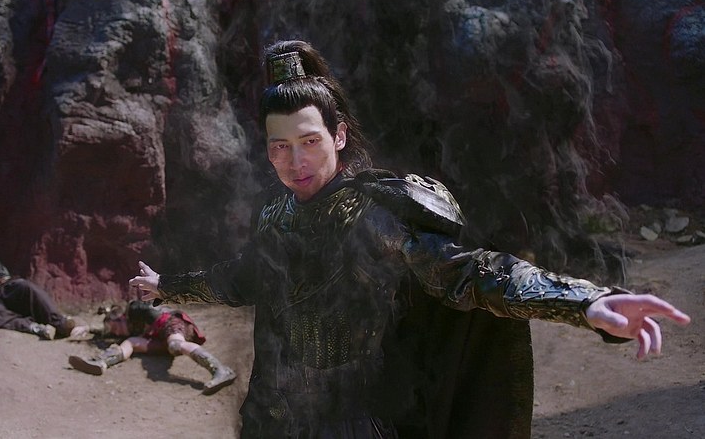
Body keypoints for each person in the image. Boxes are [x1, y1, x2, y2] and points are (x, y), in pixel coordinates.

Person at [128, 40, 691, 438]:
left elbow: (470, 272)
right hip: (277, 418)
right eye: (280, 147)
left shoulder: (373, 215)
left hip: (358, 420)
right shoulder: (275, 215)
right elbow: (240, 277)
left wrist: (585, 302)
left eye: (309, 141)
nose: (295, 161)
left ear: (338, 136)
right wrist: (168, 286)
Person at [67, 300, 237, 394]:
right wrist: (88, 328)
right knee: (131, 342)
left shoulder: (135, 311)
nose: (116, 332)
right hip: (160, 339)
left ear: (121, 318)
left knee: (175, 345)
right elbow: (105, 331)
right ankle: (101, 362)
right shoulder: (131, 329)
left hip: (171, 325)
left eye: (115, 327)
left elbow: (153, 310)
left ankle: (220, 370)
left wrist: (132, 309)